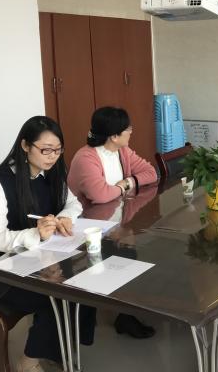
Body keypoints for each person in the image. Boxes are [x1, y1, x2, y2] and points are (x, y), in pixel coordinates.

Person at [0, 116, 95, 372]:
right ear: (25, 146)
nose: (53, 156)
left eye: (58, 150)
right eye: (46, 150)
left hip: (35, 258)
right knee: (55, 295)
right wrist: (35, 234)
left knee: (84, 283)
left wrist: (63, 217)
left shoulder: (52, 172)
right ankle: (28, 362)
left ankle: (56, 348)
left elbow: (73, 203)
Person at [68, 106, 158, 339]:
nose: (131, 131)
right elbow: (100, 195)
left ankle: (126, 314)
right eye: (128, 129)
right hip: (87, 231)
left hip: (114, 225)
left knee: (140, 256)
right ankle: (116, 315)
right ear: (114, 136)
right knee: (129, 257)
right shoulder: (86, 157)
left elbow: (151, 173)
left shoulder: (122, 151)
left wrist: (125, 183)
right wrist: (123, 186)